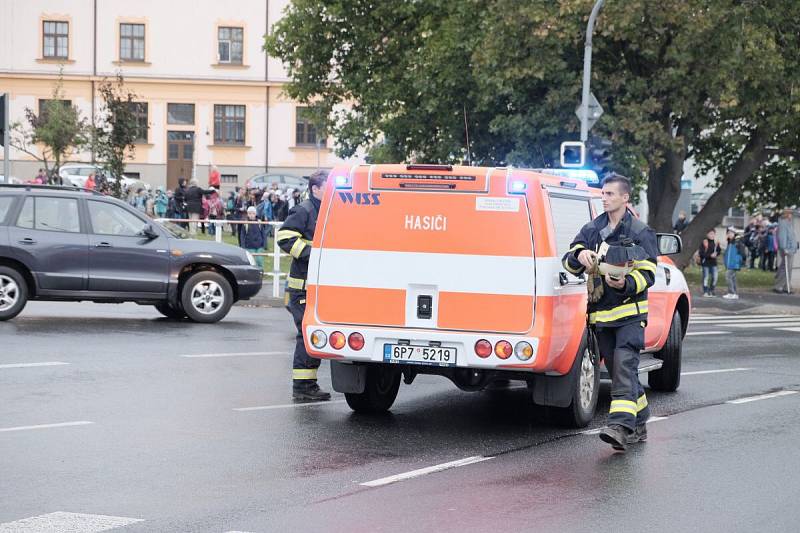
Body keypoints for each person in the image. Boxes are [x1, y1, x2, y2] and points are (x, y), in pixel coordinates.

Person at [562, 174, 658, 451]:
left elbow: (649, 273)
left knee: (624, 367)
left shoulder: (640, 231)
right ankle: (640, 421)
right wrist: (578, 256)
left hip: (631, 315)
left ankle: (619, 427)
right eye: (603, 194)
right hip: (602, 317)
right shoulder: (592, 229)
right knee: (619, 373)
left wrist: (626, 283)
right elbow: (570, 259)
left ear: (625, 198)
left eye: (610, 194)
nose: (604, 198)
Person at [277, 170, 331, 402]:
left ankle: (308, 384)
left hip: (318, 286)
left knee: (314, 334)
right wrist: (312, 254)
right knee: (306, 334)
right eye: (328, 187)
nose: (332, 192)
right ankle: (302, 386)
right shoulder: (305, 210)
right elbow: (285, 237)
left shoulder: (328, 211)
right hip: (302, 287)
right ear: (316, 189)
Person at [774, 208, 798, 294]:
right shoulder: (783, 223)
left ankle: (786, 286)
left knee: (788, 269)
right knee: (785, 268)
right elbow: (782, 237)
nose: (792, 216)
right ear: (787, 214)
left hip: (791, 249)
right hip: (787, 249)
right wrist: (784, 248)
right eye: (791, 214)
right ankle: (778, 286)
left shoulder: (788, 223)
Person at [723, 229, 746, 300]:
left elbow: (742, 253)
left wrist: (738, 261)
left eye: (731, 233)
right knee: (733, 279)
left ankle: (732, 292)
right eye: (728, 233)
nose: (729, 234)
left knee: (728, 276)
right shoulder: (730, 242)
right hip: (730, 264)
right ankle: (734, 293)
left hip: (734, 264)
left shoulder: (737, 242)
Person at [698, 229, 721, 297]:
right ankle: (705, 291)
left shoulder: (716, 242)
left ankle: (711, 290)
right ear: (707, 234)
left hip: (713, 263)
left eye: (713, 234)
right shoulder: (704, 242)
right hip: (706, 263)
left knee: (715, 277)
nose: (712, 235)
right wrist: (710, 255)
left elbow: (719, 251)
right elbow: (701, 253)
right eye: (710, 234)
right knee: (706, 277)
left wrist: (716, 254)